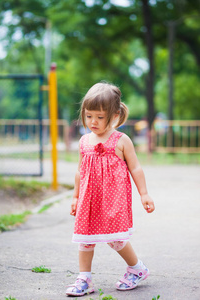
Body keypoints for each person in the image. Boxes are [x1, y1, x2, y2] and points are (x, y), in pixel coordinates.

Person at [66, 82, 155, 297]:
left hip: (113, 199)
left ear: (114, 115)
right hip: (88, 199)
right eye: (89, 116)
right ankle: (84, 278)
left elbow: (135, 167)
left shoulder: (121, 140)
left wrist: (144, 193)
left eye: (99, 116)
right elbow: (80, 171)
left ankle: (137, 269)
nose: (93, 122)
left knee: (115, 238)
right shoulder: (84, 141)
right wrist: (76, 196)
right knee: (85, 238)